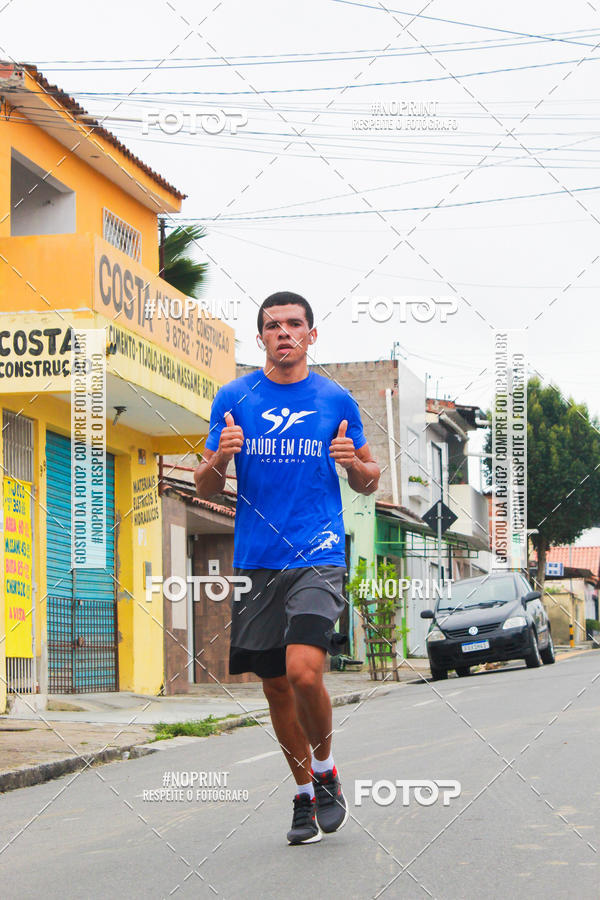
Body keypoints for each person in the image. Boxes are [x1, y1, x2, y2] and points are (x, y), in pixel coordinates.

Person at [194, 291, 380, 845]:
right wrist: (220, 457)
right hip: (256, 560)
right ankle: (303, 794)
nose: (284, 334)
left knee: (304, 671)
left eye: (295, 324)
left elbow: (370, 477)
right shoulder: (234, 397)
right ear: (261, 339)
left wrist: (356, 467)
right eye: (273, 327)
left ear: (311, 335)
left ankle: (326, 771)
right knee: (276, 686)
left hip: (317, 554)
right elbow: (206, 483)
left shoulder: (335, 399)